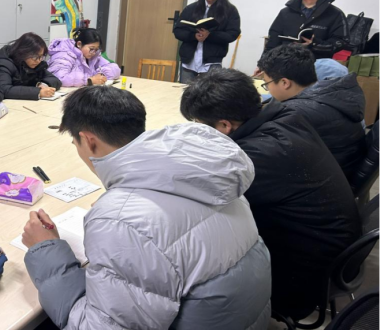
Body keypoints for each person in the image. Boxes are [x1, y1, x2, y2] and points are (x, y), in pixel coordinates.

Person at [21, 86, 272, 329]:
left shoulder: (121, 221)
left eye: (75, 143)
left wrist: (47, 250)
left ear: (89, 140)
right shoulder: (209, 172)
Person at [180, 68, 361, 320]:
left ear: (224, 125)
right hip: (330, 247)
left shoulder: (258, 155)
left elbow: (202, 200)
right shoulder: (284, 117)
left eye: (200, 124)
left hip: (304, 273)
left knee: (187, 250)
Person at [258, 45, 366, 179]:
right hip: (342, 169)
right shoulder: (330, 93)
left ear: (285, 83)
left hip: (319, 180)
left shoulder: (296, 113)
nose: (268, 89)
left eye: (266, 84)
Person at [257, 0, 348, 74]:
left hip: (317, 70)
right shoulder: (286, 13)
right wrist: (263, 65)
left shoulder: (334, 14)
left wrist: (315, 44)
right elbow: (272, 42)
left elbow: (341, 42)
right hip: (285, 69)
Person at [173, 0, 241, 83]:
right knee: (186, 90)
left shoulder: (229, 10)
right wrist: (194, 36)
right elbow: (178, 31)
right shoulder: (191, 8)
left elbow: (232, 34)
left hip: (212, 61)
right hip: (189, 60)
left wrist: (210, 35)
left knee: (210, 91)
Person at [0, 32, 61, 100]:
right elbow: (4, 89)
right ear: (23, 52)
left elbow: (55, 80)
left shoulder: (35, 63)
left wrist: (43, 85)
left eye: (41, 56)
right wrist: (38, 92)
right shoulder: (4, 63)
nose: (38, 61)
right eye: (35, 56)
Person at [47, 28, 121, 87]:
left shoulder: (93, 55)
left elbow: (114, 68)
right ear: (79, 44)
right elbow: (58, 78)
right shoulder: (64, 55)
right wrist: (89, 80)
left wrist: (102, 74)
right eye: (91, 49)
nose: (94, 52)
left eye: (96, 49)